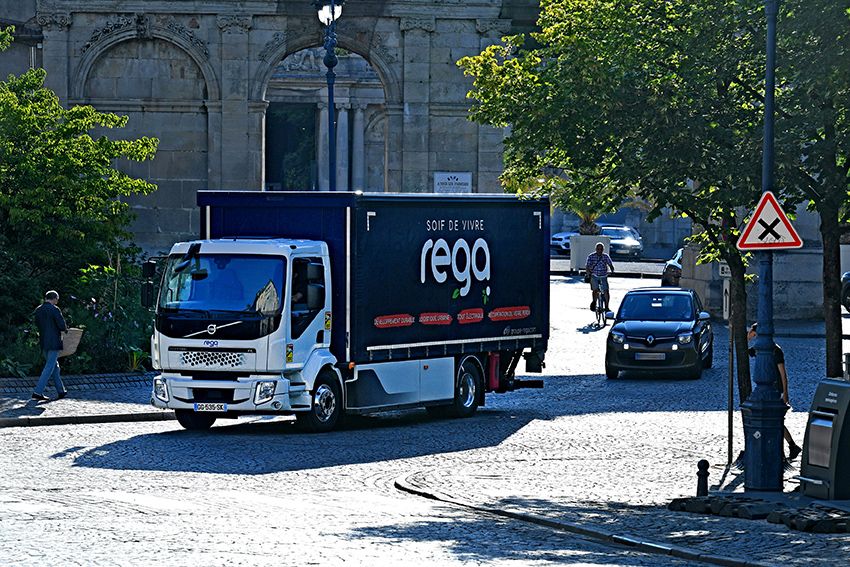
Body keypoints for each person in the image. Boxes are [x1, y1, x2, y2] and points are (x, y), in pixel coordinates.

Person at [747, 323, 802, 462]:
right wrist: (748, 337)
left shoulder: (775, 350)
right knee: (775, 420)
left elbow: (783, 374)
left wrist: (785, 393)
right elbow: (746, 351)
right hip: (767, 390)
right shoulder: (759, 348)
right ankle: (791, 446)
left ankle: (786, 448)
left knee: (775, 420)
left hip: (776, 390)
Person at [32, 290, 68, 402]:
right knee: (49, 367)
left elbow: (37, 324)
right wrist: (65, 329)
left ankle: (61, 391)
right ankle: (37, 392)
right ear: (55, 298)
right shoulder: (54, 309)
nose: (57, 301)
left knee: (54, 367)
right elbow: (62, 326)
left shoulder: (38, 310)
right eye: (57, 299)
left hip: (43, 342)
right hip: (54, 342)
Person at [586, 242, 615, 311]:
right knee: (595, 290)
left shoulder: (605, 256)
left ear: (603, 249)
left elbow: (610, 264)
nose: (599, 250)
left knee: (606, 291)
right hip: (594, 275)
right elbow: (587, 266)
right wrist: (588, 273)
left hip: (603, 276)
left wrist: (612, 271)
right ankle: (594, 302)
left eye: (601, 249)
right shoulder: (591, 256)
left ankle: (607, 306)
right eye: (598, 249)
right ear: (596, 249)